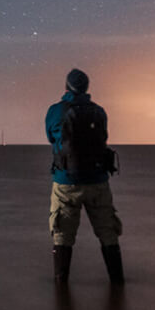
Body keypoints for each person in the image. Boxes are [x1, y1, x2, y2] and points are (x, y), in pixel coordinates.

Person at [46, 68, 123, 285]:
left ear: (66, 87)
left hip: (66, 182)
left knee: (62, 234)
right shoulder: (99, 112)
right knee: (108, 233)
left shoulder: (55, 111)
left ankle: (62, 286)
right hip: (98, 181)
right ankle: (117, 282)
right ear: (87, 88)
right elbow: (104, 137)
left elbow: (51, 137)